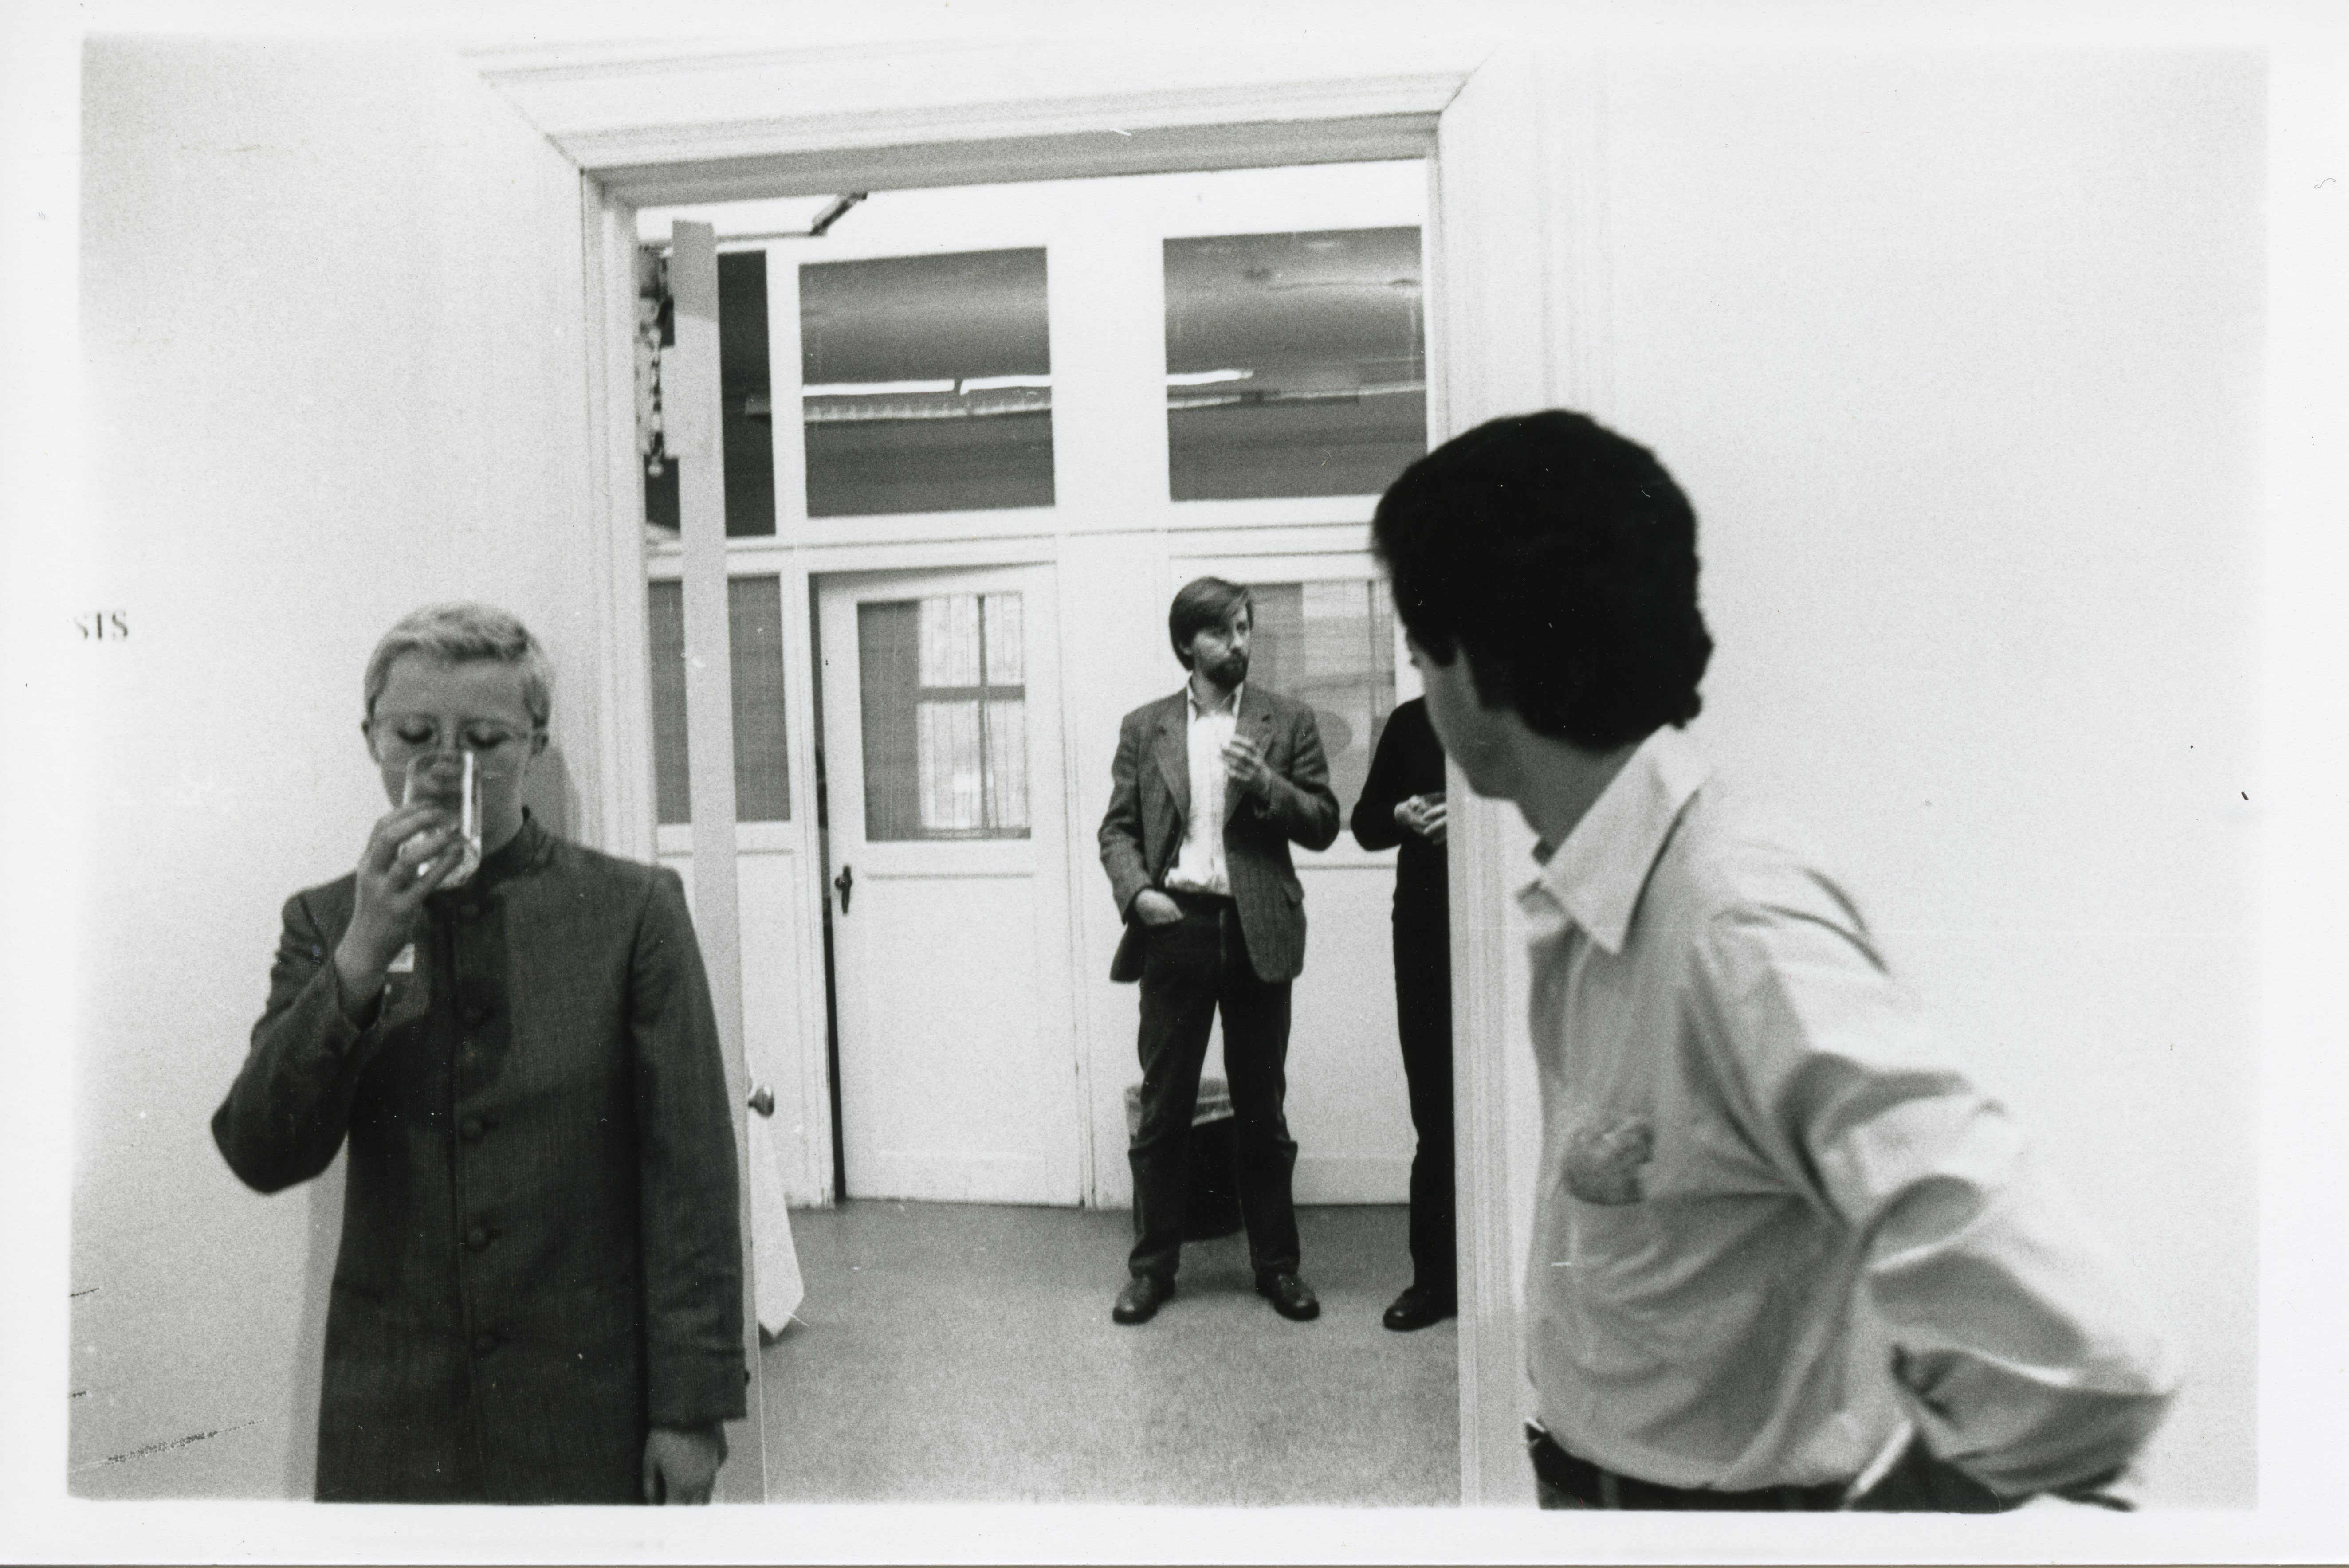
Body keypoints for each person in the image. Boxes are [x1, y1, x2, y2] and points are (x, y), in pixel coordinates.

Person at [1371, 412, 2175, 1511]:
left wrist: (1885, 1520)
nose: (1423, 689)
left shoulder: (1730, 921)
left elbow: (2087, 1360)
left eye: (1420, 655)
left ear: (1472, 664)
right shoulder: (1607, 886)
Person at [212, 603, 747, 1505]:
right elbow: (261, 1150)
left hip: (585, 1400)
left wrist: (690, 1411)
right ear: (371, 739)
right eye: (413, 734)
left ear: (535, 743)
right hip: (392, 1407)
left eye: (485, 738)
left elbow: (688, 1176)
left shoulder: (632, 913)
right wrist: (363, 951)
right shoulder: (323, 919)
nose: (444, 764)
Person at [1098, 576, 1340, 1326]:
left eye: (1245, 628)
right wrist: (1139, 894)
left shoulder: (1286, 720)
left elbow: (1326, 821)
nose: (1241, 642)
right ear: (1187, 646)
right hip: (1178, 928)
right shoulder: (1146, 729)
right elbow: (1118, 831)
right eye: (1224, 631)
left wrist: (1267, 783)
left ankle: (1278, 1267)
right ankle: (1153, 1270)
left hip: (1259, 930)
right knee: (1165, 1109)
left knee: (1262, 1111)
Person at [1349, 698, 1456, 1331]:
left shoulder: (1516, 710)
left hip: (1497, 930)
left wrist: (1470, 824)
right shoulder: (1411, 722)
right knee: (1434, 1111)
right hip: (1422, 931)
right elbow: (1364, 824)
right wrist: (1401, 813)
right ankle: (1434, 1281)